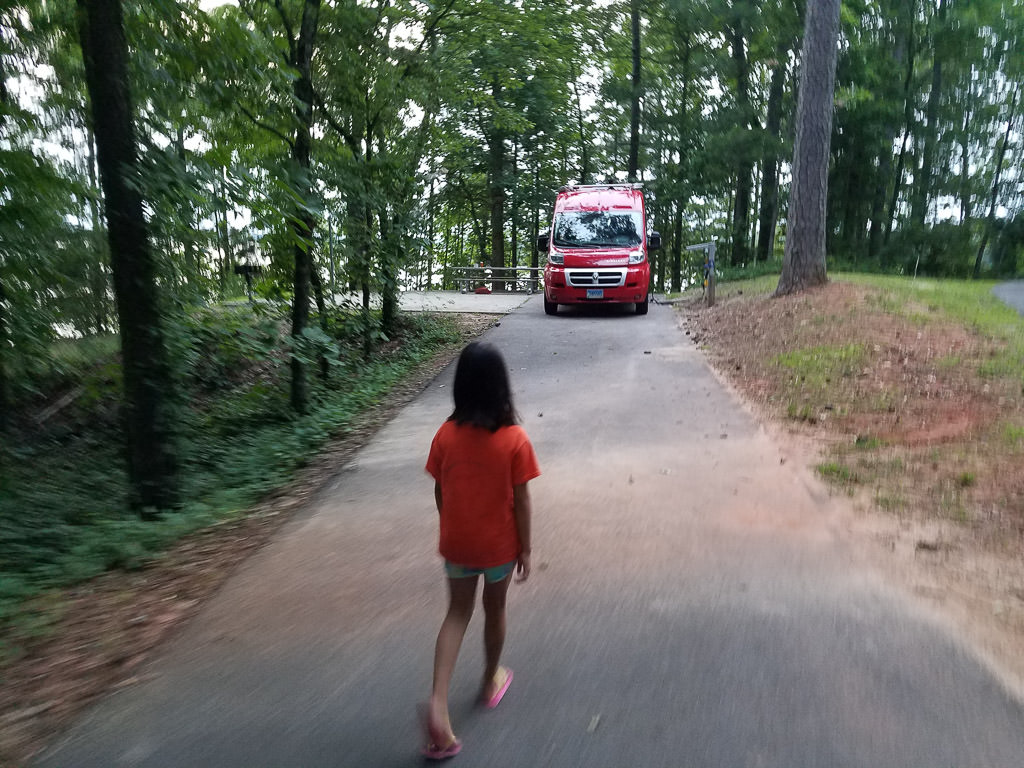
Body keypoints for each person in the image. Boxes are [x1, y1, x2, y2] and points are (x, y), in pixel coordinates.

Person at [421, 342, 541, 760]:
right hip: (499, 548)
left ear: (461, 388)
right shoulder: (514, 439)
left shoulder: (445, 436)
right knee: (495, 610)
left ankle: (438, 701)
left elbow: (441, 489)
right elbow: (522, 500)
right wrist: (525, 548)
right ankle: (490, 679)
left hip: (457, 543)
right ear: (501, 389)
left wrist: (452, 525)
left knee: (456, 614)